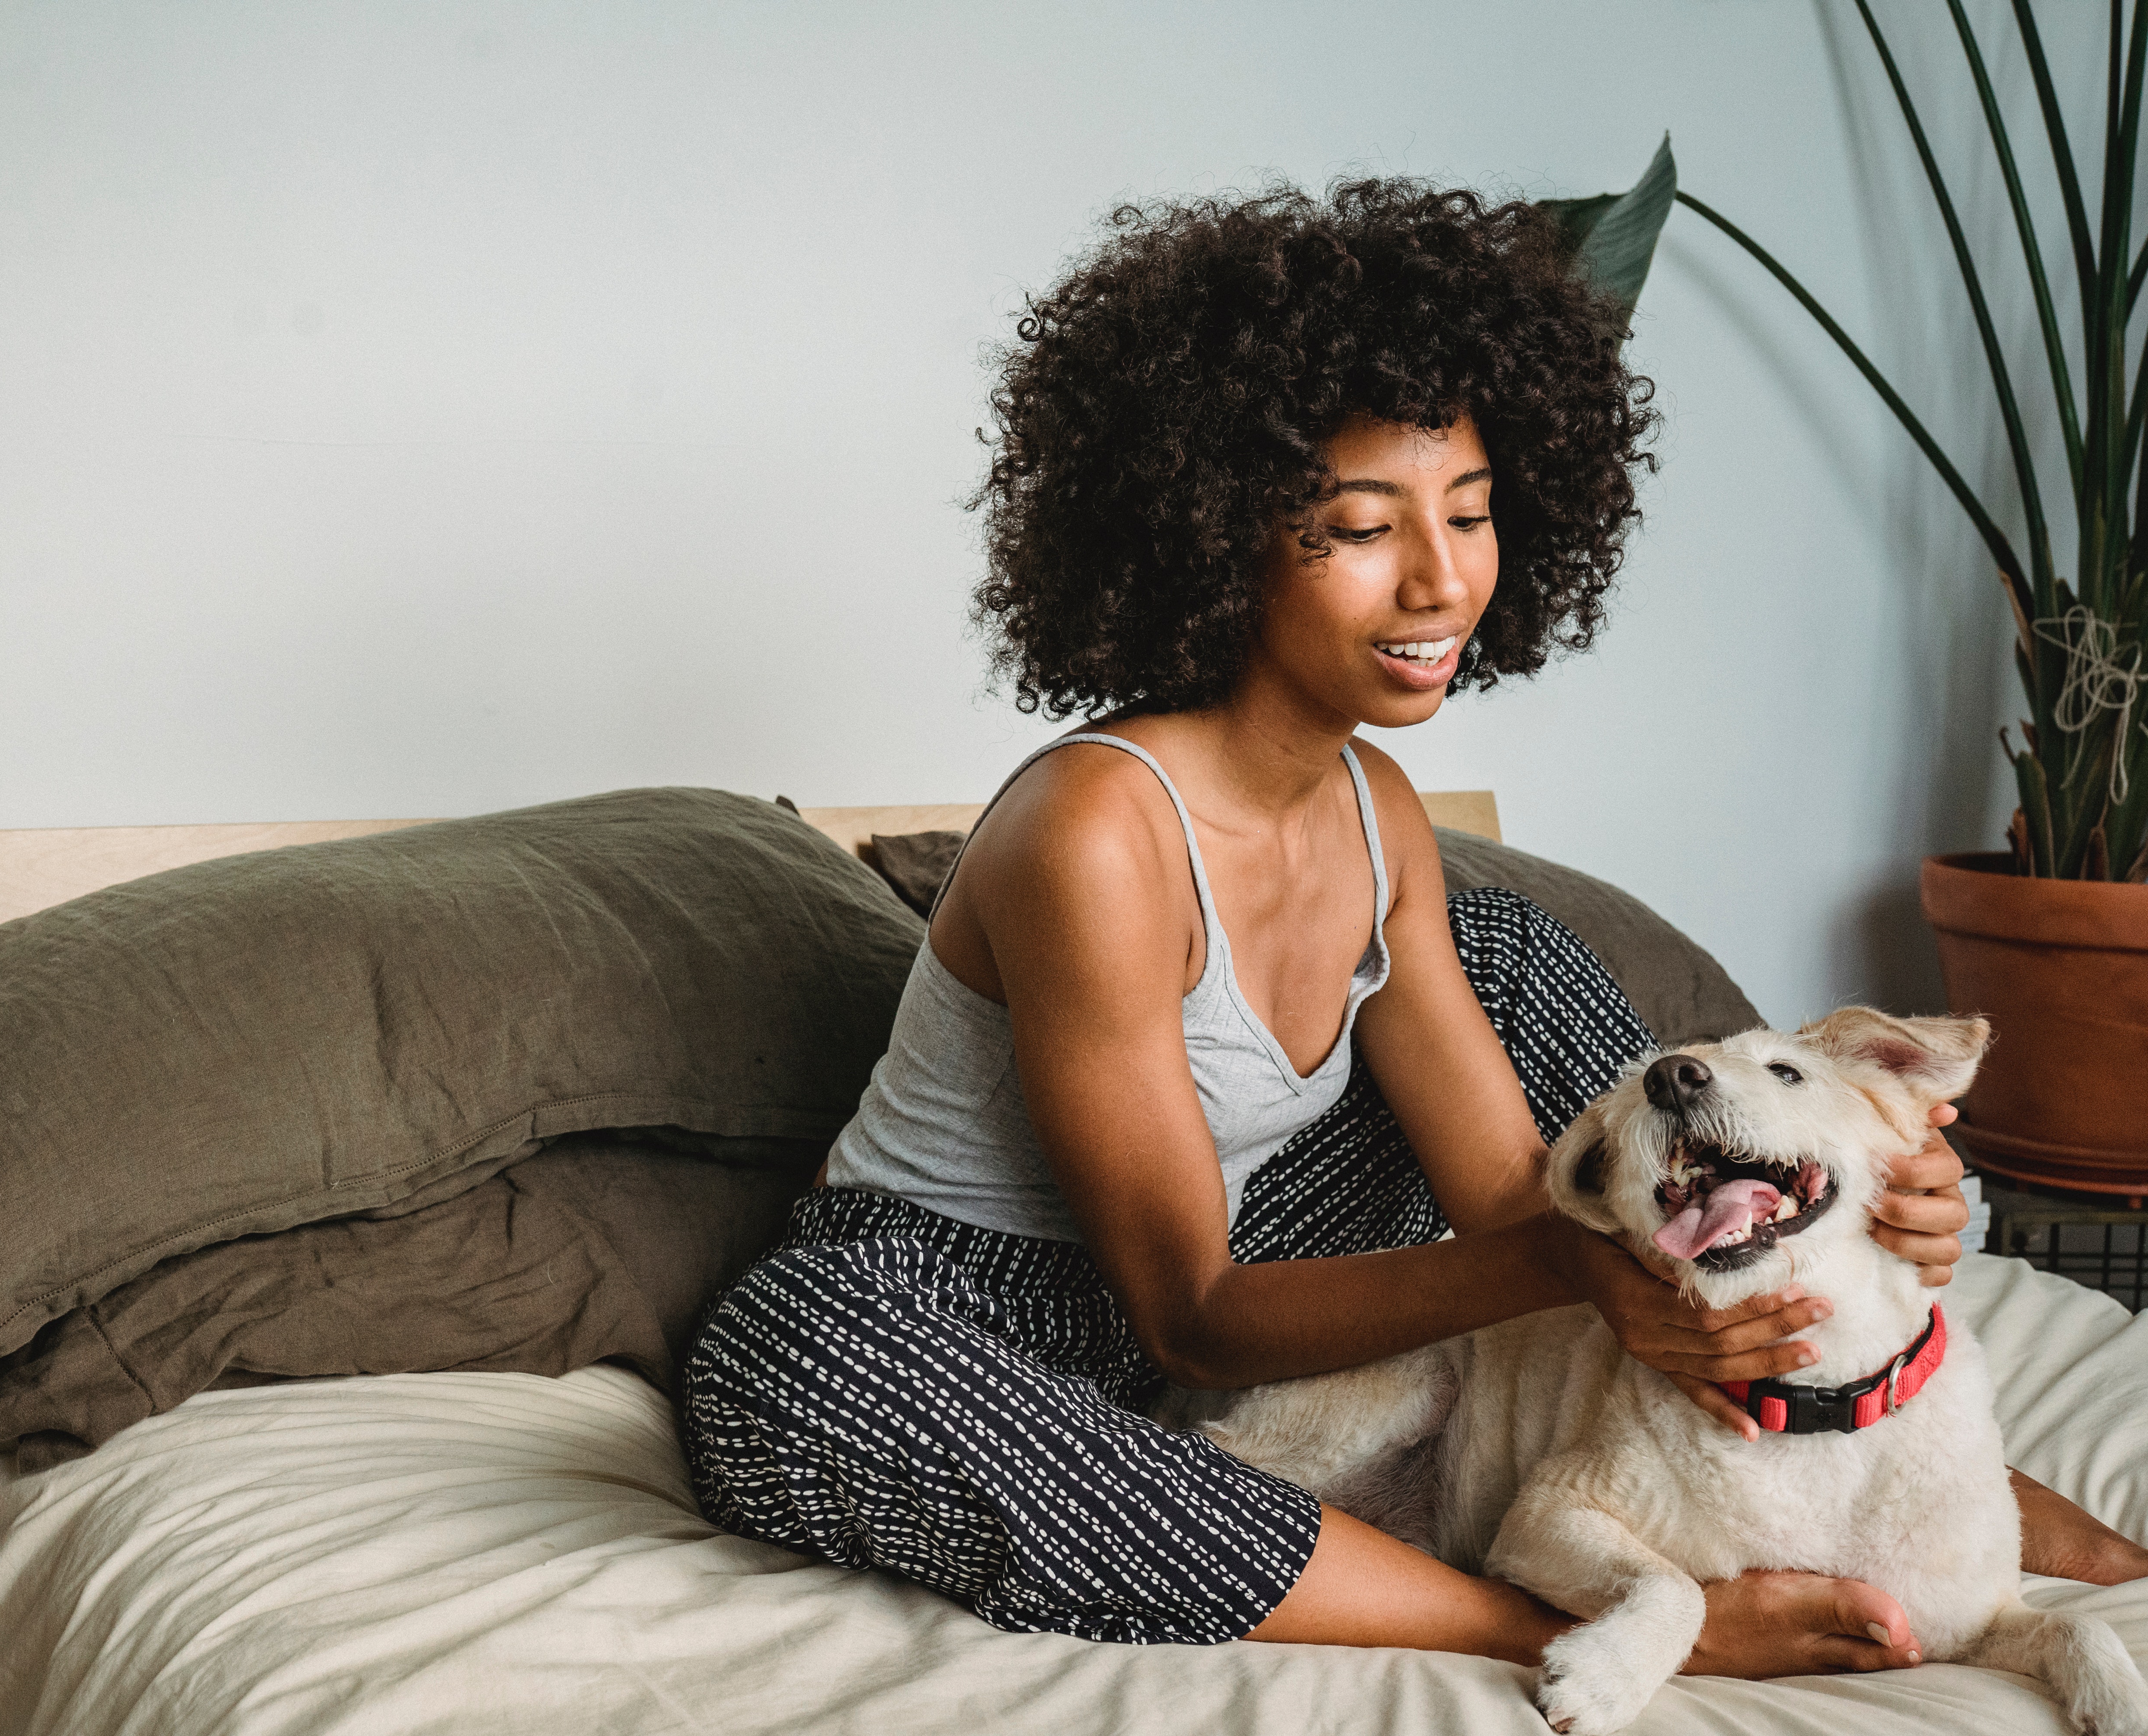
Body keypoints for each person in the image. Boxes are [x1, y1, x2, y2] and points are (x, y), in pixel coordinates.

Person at [682, 180, 2146, 1670]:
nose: (1442, 580)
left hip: (1260, 1268)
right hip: (961, 1313)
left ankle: (1855, 1412)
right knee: (796, 1373)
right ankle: (1583, 1624)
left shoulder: (1379, 810)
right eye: (1362, 528)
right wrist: (1595, 1260)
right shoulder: (1094, 834)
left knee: (1507, 954)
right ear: (1215, 536)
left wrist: (1837, 1181)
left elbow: (1525, 1199)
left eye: (1471, 511)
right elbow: (1191, 1313)